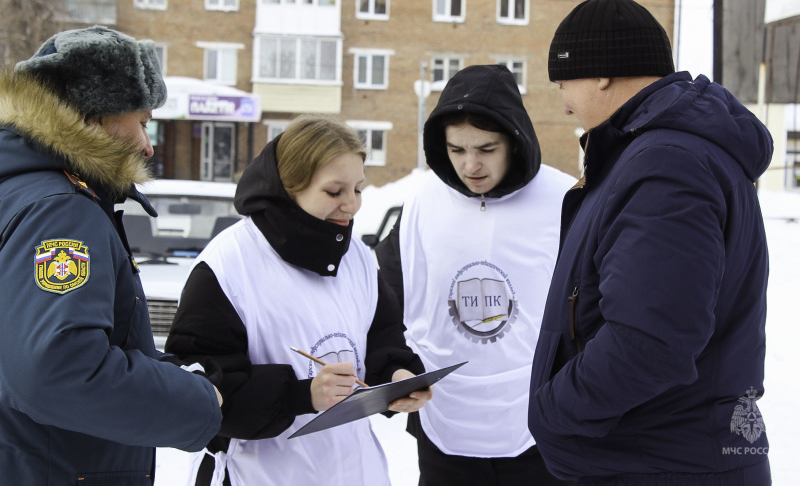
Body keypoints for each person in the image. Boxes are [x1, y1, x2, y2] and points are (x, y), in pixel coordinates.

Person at [528, 0, 773, 485]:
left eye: (563, 82)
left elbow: (651, 340)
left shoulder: (667, 163)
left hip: (659, 463)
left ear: (600, 73)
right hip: (669, 456)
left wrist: (552, 413)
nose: (563, 102)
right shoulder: (670, 152)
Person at [0, 26, 222, 484]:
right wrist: (197, 402)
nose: (148, 144)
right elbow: (58, 370)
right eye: (142, 121)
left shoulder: (19, 192)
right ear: (94, 117)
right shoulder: (60, 211)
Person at [165, 114, 433, 486]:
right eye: (334, 191)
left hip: (354, 471)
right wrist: (300, 394)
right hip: (257, 474)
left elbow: (382, 338)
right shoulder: (228, 264)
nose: (352, 205)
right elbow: (198, 391)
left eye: (358, 189)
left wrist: (397, 376)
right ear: (289, 188)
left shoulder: (356, 256)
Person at [375, 64, 576, 485]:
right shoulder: (423, 203)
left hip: (537, 427)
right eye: (457, 150)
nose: (471, 166)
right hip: (443, 423)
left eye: (486, 149)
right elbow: (386, 300)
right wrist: (394, 369)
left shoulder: (564, 200)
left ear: (515, 141)